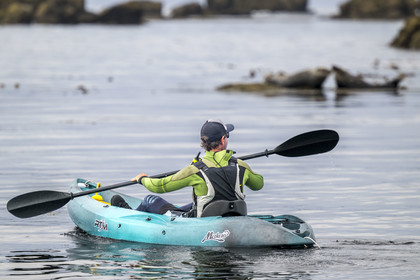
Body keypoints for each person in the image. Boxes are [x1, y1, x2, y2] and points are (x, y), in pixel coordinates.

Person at [111, 119, 264, 217]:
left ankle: (130, 216)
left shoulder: (195, 170)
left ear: (203, 143)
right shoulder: (241, 166)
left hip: (202, 224)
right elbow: (259, 184)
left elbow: (159, 186)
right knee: (196, 202)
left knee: (151, 199)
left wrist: (142, 179)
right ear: (223, 140)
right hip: (233, 215)